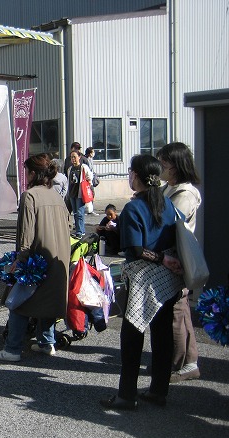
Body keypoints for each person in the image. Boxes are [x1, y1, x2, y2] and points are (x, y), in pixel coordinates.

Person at [100, 154, 184, 410]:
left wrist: (160, 258)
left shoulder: (134, 207)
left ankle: (126, 395)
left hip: (143, 278)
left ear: (136, 175)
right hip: (168, 279)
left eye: (130, 172)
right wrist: (167, 259)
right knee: (162, 334)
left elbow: (135, 249)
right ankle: (159, 390)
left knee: (132, 334)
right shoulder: (166, 203)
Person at [0, 153, 70, 361]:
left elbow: (26, 234)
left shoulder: (30, 196)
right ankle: (47, 342)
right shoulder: (56, 195)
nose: (25, 175)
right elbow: (69, 225)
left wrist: (20, 259)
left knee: (19, 303)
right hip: (58, 257)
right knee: (48, 302)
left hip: (36, 260)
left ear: (34, 173)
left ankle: (12, 350)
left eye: (26, 171)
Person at [157, 142, 202, 383]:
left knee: (177, 311)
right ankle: (187, 361)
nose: (160, 167)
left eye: (163, 162)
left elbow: (171, 224)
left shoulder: (185, 194)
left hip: (176, 258)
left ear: (175, 165)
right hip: (168, 257)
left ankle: (178, 364)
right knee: (180, 310)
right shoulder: (168, 188)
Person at [66, 151, 93, 237]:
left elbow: (90, 177)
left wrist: (88, 186)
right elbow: (69, 181)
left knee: (80, 213)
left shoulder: (83, 167)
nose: (73, 159)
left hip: (80, 193)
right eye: (71, 157)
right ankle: (78, 230)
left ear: (79, 157)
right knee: (75, 213)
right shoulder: (70, 169)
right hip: (72, 193)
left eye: (74, 157)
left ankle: (81, 231)